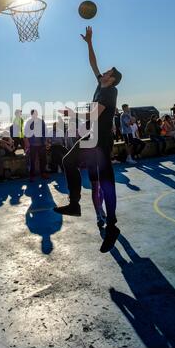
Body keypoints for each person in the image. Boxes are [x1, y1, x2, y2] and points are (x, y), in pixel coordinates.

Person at [54, 26, 122, 253]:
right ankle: (74, 204)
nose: (103, 72)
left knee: (106, 183)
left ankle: (112, 225)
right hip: (90, 138)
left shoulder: (110, 93)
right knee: (67, 161)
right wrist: (90, 43)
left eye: (107, 72)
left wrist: (72, 114)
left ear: (111, 79)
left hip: (101, 143)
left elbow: (94, 115)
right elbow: (93, 63)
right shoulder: (100, 85)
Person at [24, 109, 50, 182]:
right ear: (31, 114)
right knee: (32, 160)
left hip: (41, 144)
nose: (35, 115)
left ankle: (43, 173)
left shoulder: (41, 122)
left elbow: (45, 132)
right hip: (32, 145)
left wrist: (45, 141)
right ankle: (32, 176)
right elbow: (26, 133)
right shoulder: (29, 122)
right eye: (34, 114)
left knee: (43, 160)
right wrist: (27, 142)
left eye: (36, 113)